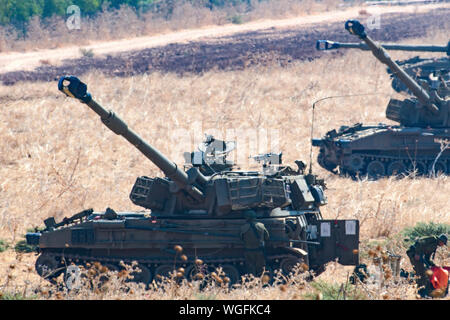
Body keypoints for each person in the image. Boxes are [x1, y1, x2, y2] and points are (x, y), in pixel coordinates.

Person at [239, 210, 270, 276]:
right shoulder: (261, 226)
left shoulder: (243, 228)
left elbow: (241, 238)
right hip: (259, 250)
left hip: (248, 251)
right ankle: (261, 281)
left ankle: (252, 280)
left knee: (250, 268)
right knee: (260, 267)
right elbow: (267, 237)